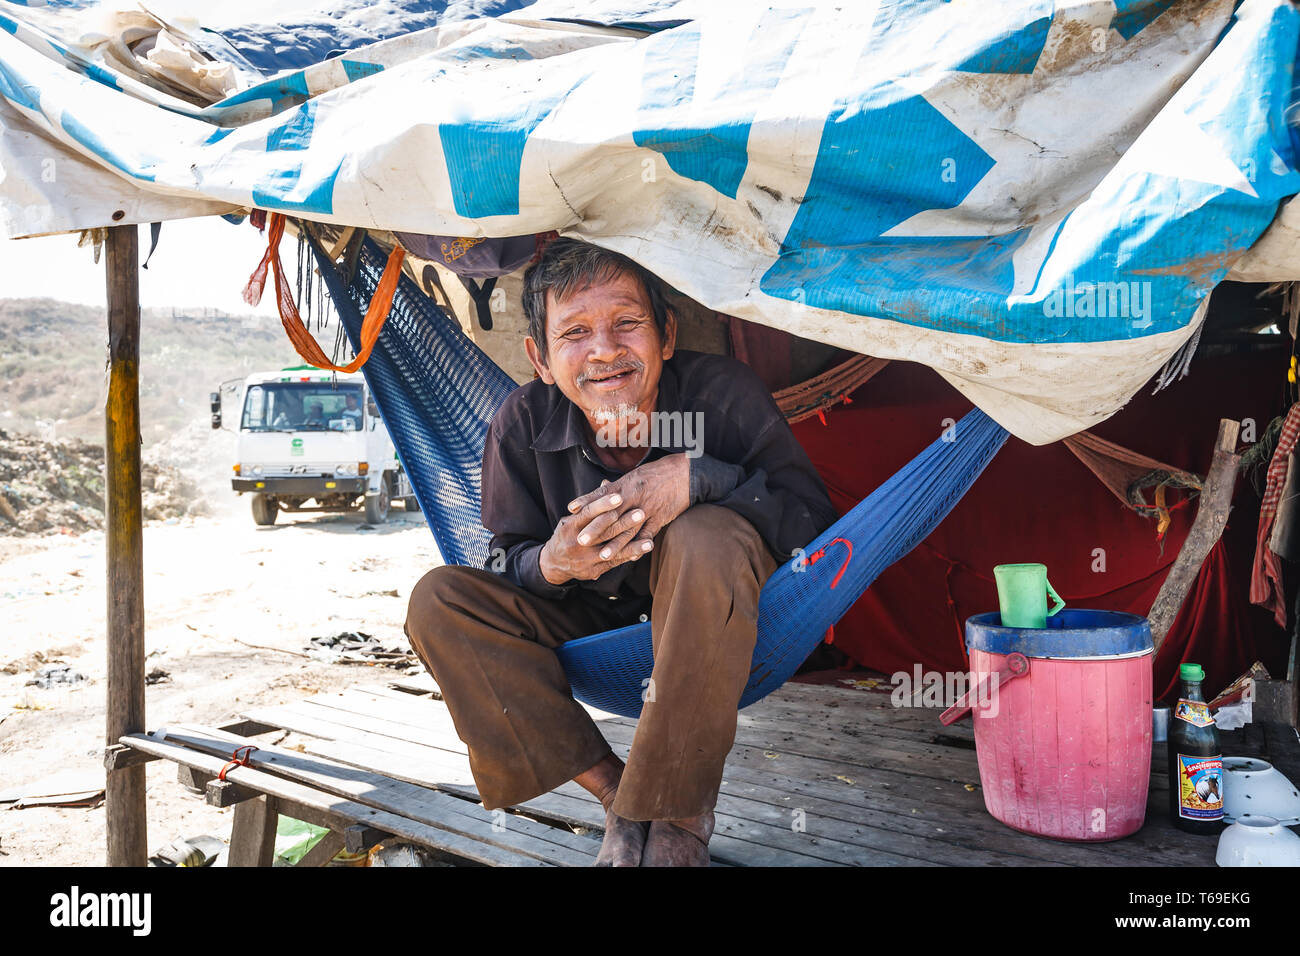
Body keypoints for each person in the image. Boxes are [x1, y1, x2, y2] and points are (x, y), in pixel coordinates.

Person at [404, 239, 836, 866]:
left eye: (626, 323)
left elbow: (814, 526)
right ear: (541, 359)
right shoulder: (521, 424)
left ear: (666, 335)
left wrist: (700, 479)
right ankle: (620, 798)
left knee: (703, 532)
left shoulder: (723, 394)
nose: (604, 350)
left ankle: (681, 816)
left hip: (724, 615)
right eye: (575, 332)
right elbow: (501, 561)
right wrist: (551, 563)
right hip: (592, 623)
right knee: (439, 601)